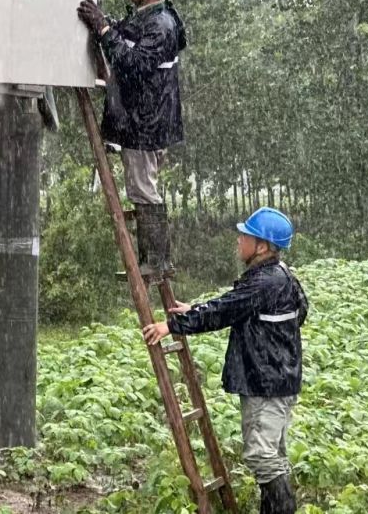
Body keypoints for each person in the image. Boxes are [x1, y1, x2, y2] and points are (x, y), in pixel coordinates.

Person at [143, 207, 308, 514]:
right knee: (273, 456)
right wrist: (197, 310)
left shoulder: (265, 282)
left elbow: (224, 311)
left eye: (245, 236)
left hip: (265, 384)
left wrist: (172, 325)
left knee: (263, 458)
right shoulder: (280, 275)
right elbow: (288, 310)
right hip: (279, 380)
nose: (238, 240)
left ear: (262, 246)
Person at [77, 0, 186, 281]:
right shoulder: (147, 16)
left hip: (147, 123)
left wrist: (104, 31)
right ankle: (152, 260)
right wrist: (107, 25)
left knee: (143, 189)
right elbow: (124, 37)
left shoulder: (162, 25)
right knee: (141, 187)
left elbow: (134, 63)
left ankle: (157, 261)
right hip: (142, 119)